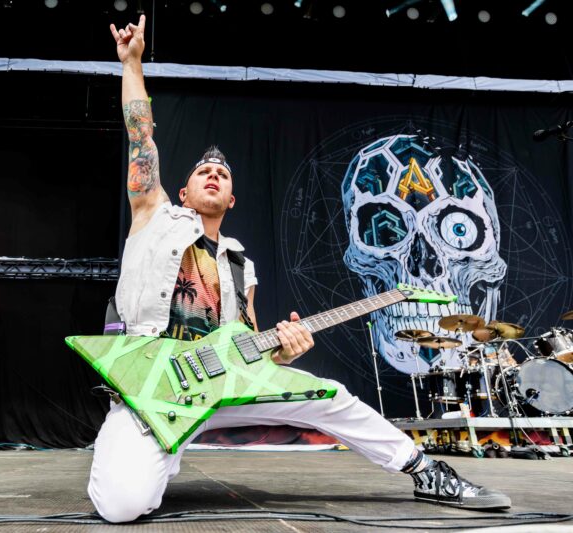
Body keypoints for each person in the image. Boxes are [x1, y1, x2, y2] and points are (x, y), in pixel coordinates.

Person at [87, 15, 512, 523]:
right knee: (122, 507)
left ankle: (425, 469)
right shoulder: (154, 214)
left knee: (331, 397)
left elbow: (246, 342)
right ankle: (163, 445)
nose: (214, 175)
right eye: (204, 172)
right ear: (183, 191)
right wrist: (132, 63)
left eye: (223, 174)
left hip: (223, 387)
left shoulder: (241, 263)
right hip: (151, 389)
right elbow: (141, 135)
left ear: (232, 198)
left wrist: (284, 349)